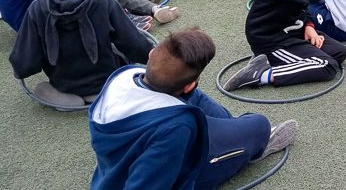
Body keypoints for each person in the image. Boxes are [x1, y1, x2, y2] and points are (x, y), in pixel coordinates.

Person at [89, 27, 297, 189]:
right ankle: (253, 144)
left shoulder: (124, 74)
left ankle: (230, 127)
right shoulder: (177, 127)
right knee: (258, 125)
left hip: (122, 160)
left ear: (151, 54)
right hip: (176, 160)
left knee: (199, 101)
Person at [9, 0, 151, 107]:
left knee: (43, 87)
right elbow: (133, 43)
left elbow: (24, 62)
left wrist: (22, 68)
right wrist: (152, 57)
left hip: (64, 83)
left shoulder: (37, 8)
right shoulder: (104, 2)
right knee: (117, 51)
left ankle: (69, 98)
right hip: (105, 79)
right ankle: (101, 91)